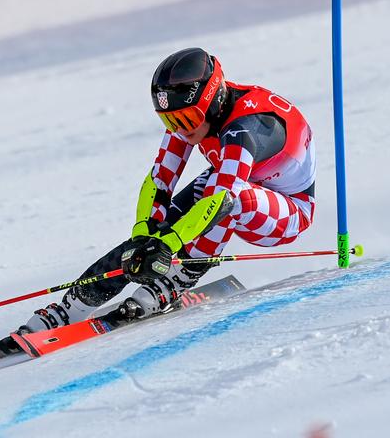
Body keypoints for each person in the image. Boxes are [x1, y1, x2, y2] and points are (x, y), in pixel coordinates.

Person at [18, 47, 317, 333]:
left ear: (213, 102)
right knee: (151, 237)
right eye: (170, 120)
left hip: (287, 213)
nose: (180, 129)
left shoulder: (246, 128)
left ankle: (177, 281)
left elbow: (224, 198)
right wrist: (144, 235)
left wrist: (169, 245)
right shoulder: (190, 116)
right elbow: (160, 179)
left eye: (186, 119)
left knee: (226, 199)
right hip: (234, 182)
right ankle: (73, 306)